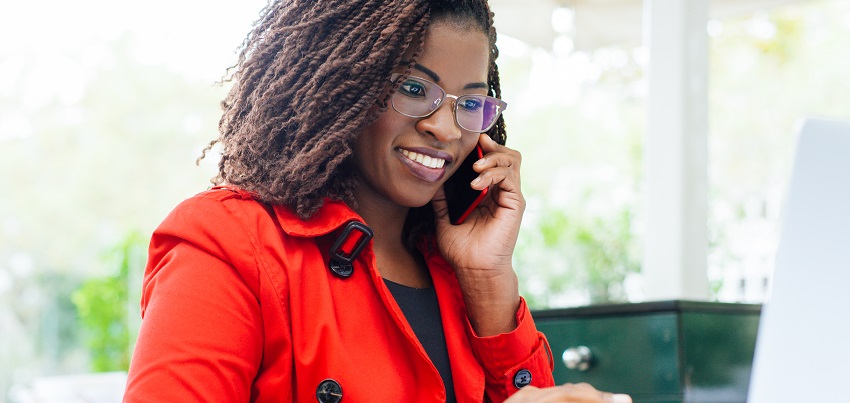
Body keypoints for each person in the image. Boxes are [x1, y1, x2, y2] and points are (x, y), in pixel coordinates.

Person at [123, 0, 631, 402]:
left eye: (470, 104)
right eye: (413, 88)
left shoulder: (458, 270)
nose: (444, 128)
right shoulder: (229, 241)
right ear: (340, 85)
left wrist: (487, 281)